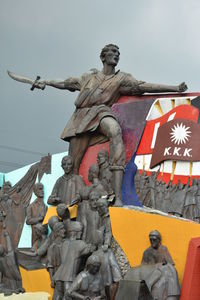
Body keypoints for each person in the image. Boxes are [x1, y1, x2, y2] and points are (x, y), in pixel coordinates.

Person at [34, 44, 187, 206]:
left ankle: (117, 196)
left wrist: (175, 88)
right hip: (80, 119)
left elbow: (143, 86)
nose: (116, 55)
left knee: (115, 131)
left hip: (101, 113)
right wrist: (45, 82)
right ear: (103, 57)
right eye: (113, 52)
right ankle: (68, 203)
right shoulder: (89, 77)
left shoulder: (121, 79)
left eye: (118, 53)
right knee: (73, 165)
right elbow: (66, 83)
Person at [26, 183, 48, 249]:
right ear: (35, 192)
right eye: (40, 189)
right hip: (35, 236)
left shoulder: (45, 207)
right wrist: (39, 219)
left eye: (42, 189)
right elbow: (28, 221)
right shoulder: (31, 206)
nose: (42, 191)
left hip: (44, 235)